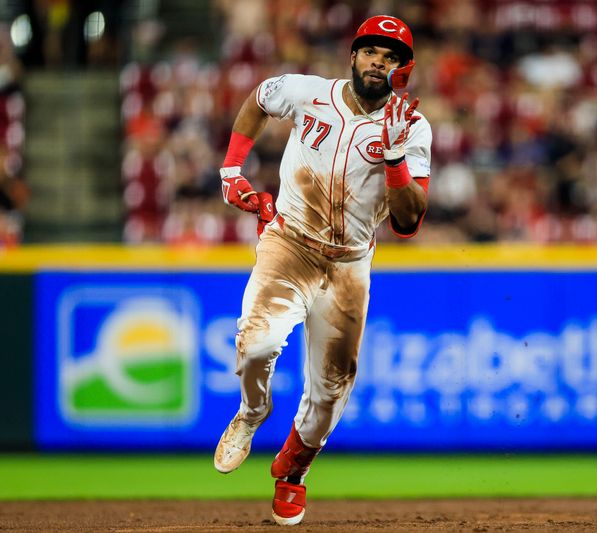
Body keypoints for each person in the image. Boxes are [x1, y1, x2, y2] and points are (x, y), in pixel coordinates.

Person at [212, 15, 431, 526]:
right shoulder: (308, 92)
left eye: (390, 55)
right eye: (370, 51)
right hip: (289, 242)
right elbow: (259, 100)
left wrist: (396, 158)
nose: (378, 61)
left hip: (350, 264)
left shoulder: (411, 127)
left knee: (332, 389)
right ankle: (251, 413)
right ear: (353, 57)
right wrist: (230, 169)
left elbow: (408, 221)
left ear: (404, 68)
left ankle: (293, 472)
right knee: (257, 344)